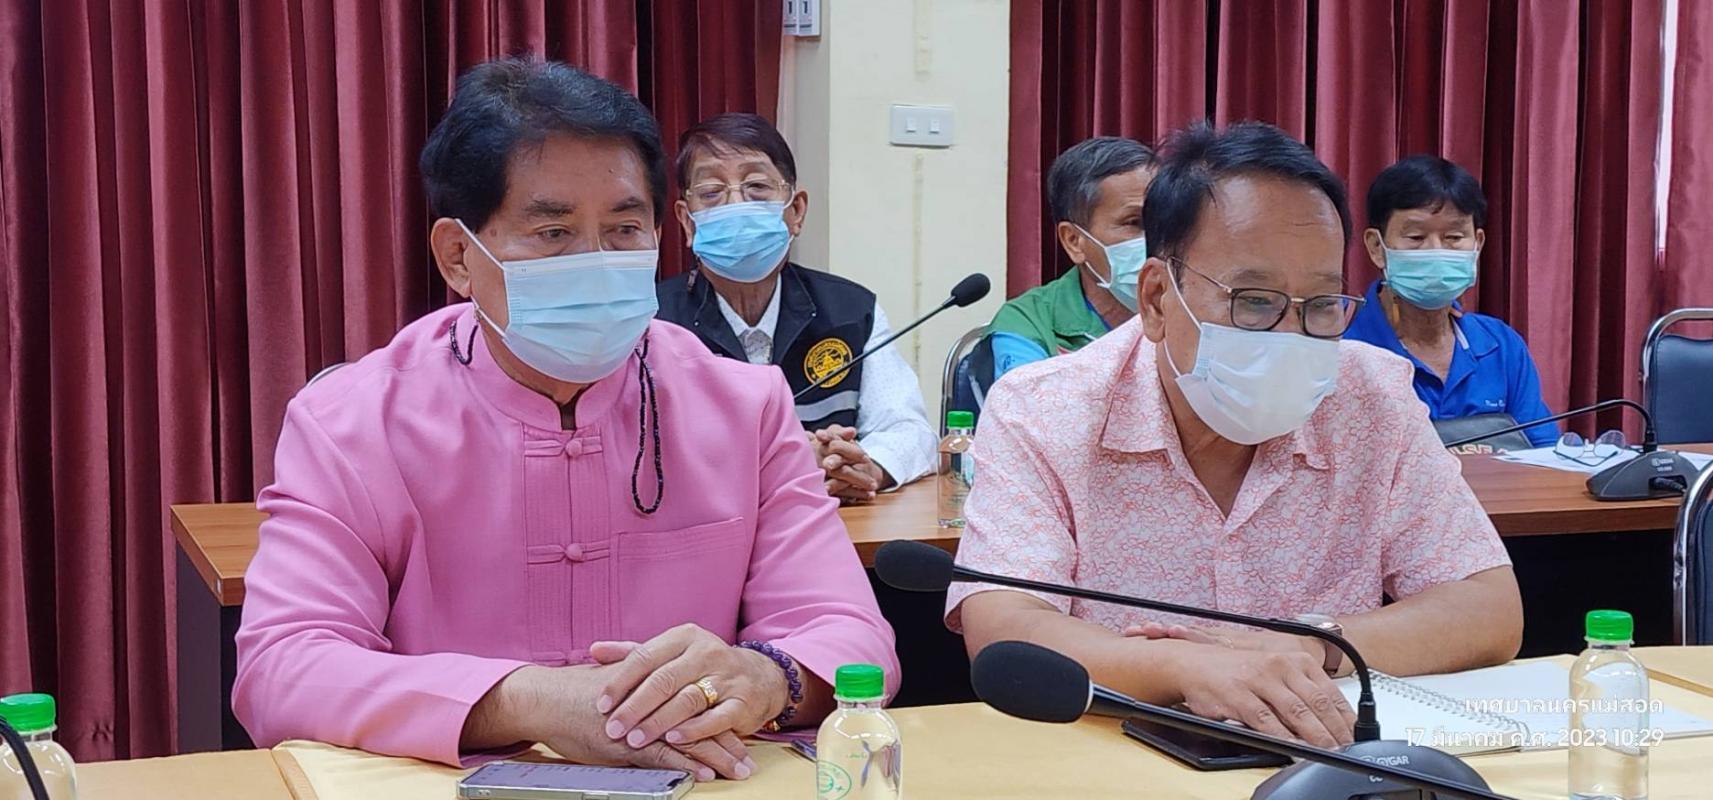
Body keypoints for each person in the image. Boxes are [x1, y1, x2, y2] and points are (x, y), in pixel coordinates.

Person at [231, 60, 898, 779]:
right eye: (553, 232)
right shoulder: (353, 422)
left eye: (623, 229)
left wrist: (764, 676)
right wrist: (525, 702)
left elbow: (851, 635)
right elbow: (283, 669)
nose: (596, 261)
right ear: (458, 256)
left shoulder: (744, 406)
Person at [948, 121, 1523, 750]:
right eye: (1253, 301)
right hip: (1112, 761)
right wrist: (1185, 668)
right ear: (1157, 298)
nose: (1291, 336)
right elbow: (1002, 623)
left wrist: (1311, 644)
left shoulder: (1372, 396)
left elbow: (1487, 607)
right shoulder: (1043, 410)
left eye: (1321, 305)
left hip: (1320, 761)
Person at [655, 113, 936, 503]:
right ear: (687, 223)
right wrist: (796, 460)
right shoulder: (653, 322)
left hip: (834, 525)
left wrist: (861, 466)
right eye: (712, 191)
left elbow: (910, 431)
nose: (736, 205)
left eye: (756, 186)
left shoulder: (852, 310)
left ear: (797, 211)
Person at [1344, 155, 1557, 447]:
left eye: (1454, 237)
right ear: (1376, 247)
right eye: (1416, 237)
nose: (1435, 251)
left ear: (1477, 244)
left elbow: (1543, 453)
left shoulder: (1502, 346)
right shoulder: (1341, 342)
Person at [986, 137, 1158, 380]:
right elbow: (1028, 401)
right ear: (1074, 241)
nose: (1157, 237)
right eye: (1134, 223)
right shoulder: (1029, 321)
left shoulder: (1194, 303)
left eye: (1162, 219)